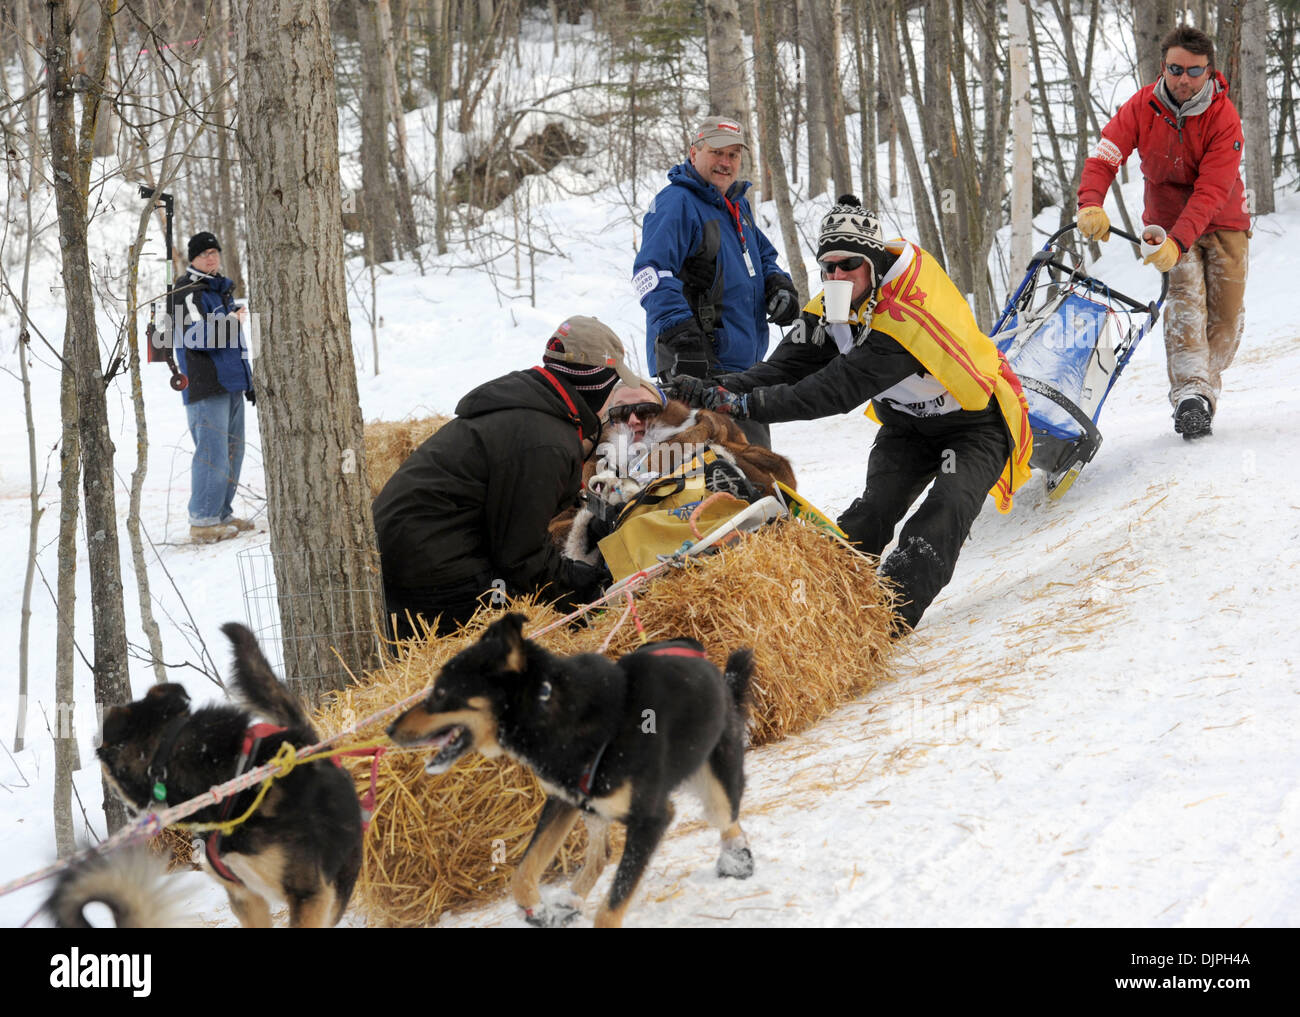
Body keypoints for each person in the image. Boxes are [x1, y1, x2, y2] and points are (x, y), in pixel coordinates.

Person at [673, 195, 1033, 633]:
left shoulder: (904, 313)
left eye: (849, 264)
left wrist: (746, 406)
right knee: (872, 509)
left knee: (944, 509)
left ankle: (885, 622)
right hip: (908, 425)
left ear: (874, 264)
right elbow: (785, 366)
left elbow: (832, 390)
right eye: (828, 267)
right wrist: (717, 392)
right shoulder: (834, 304)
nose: (837, 276)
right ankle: (826, 605)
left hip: (975, 425)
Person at [372, 315, 650, 639]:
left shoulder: (528, 405)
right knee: (546, 628)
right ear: (596, 385)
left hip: (402, 552)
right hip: (428, 568)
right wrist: (590, 585)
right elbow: (521, 558)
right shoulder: (543, 440)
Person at [1076, 24, 1249, 441]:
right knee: (1186, 302)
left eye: (1194, 71)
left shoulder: (1223, 117)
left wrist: (1181, 240)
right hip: (1165, 222)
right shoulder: (1142, 105)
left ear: (1209, 72)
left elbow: (1210, 191)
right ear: (1163, 67)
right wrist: (1091, 203)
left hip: (1222, 219)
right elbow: (1105, 155)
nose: (1183, 79)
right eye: (1175, 69)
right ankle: (1191, 398)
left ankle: (1204, 383)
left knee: (1225, 320)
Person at [631, 115, 800, 448]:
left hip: (740, 369)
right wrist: (680, 334)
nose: (725, 162)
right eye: (717, 152)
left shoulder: (735, 205)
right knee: (730, 476)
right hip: (698, 371)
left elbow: (762, 257)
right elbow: (648, 274)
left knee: (750, 471)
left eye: (733, 155)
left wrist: (778, 284)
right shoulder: (677, 203)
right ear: (694, 153)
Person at [173, 231, 255, 544]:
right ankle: (204, 520)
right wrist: (231, 322)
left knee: (234, 451)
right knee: (212, 452)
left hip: (231, 383)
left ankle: (221, 512)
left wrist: (248, 381)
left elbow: (239, 344)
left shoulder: (220, 290)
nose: (211, 258)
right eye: (204, 253)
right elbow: (195, 337)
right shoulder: (187, 293)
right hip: (206, 386)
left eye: (214, 252)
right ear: (192, 258)